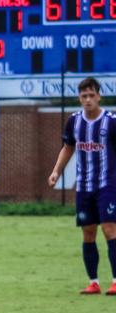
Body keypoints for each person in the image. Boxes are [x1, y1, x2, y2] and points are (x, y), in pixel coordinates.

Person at [47, 77, 116, 295]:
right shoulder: (74, 122)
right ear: (79, 98)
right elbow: (68, 147)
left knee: (109, 229)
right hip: (84, 187)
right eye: (84, 96)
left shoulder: (111, 121)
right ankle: (93, 282)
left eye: (91, 95)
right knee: (88, 232)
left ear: (99, 96)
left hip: (108, 184)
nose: (88, 100)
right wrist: (56, 171)